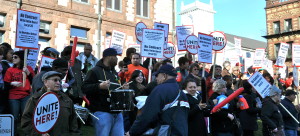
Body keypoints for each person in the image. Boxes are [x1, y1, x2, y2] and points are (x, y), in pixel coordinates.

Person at [128, 64, 189, 136]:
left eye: (157, 75)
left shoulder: (159, 90)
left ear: (164, 76)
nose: (156, 78)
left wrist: (132, 132)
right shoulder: (182, 93)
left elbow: (147, 116)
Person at [82, 48, 129, 136]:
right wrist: (99, 86)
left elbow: (114, 89)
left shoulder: (114, 71)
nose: (117, 59)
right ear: (108, 57)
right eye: (115, 56)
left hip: (117, 112)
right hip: (102, 111)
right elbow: (84, 88)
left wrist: (122, 88)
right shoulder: (94, 71)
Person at [21, 71, 79, 135]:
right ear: (46, 82)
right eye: (55, 80)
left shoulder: (67, 100)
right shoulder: (35, 99)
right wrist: (39, 134)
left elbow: (73, 123)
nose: (58, 83)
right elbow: (26, 121)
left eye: (59, 80)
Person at [3, 50, 35, 135]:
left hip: (25, 95)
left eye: (15, 57)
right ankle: (14, 133)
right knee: (15, 117)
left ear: (21, 58)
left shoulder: (29, 68)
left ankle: (25, 133)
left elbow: (33, 82)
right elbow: (5, 84)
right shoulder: (10, 70)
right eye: (13, 57)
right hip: (13, 96)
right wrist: (12, 83)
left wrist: (28, 73)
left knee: (25, 116)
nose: (13, 58)